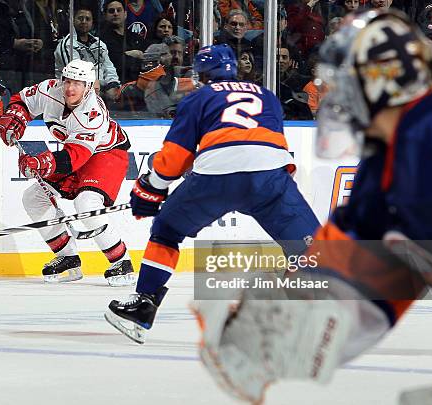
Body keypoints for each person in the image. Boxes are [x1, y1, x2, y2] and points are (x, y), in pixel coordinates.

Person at [192, 10, 432, 404]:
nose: (338, 94)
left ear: (384, 82)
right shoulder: (384, 163)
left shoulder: (430, 130)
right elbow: (370, 271)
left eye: (349, 81)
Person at [105, 44, 320, 344]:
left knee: (166, 231)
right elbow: (262, 144)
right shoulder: (267, 96)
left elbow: (174, 157)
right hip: (271, 176)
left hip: (216, 178)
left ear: (202, 75)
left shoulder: (199, 97)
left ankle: (143, 306)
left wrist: (152, 187)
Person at [0, 59, 135, 286]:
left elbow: (75, 157)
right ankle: (67, 257)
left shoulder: (92, 114)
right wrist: (15, 116)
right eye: (67, 81)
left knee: (86, 203)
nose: (70, 88)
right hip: (74, 152)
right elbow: (21, 100)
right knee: (33, 198)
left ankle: (121, 261)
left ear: (89, 86)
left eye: (77, 83)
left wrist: (42, 163)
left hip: (106, 154)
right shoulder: (50, 90)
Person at [54, 6, 121, 103]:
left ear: (92, 22)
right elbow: (75, 75)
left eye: (88, 19)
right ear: (73, 21)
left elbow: (109, 67)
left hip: (101, 90)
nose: (84, 21)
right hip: (73, 95)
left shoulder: (99, 44)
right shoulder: (67, 45)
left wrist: (113, 85)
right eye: (80, 18)